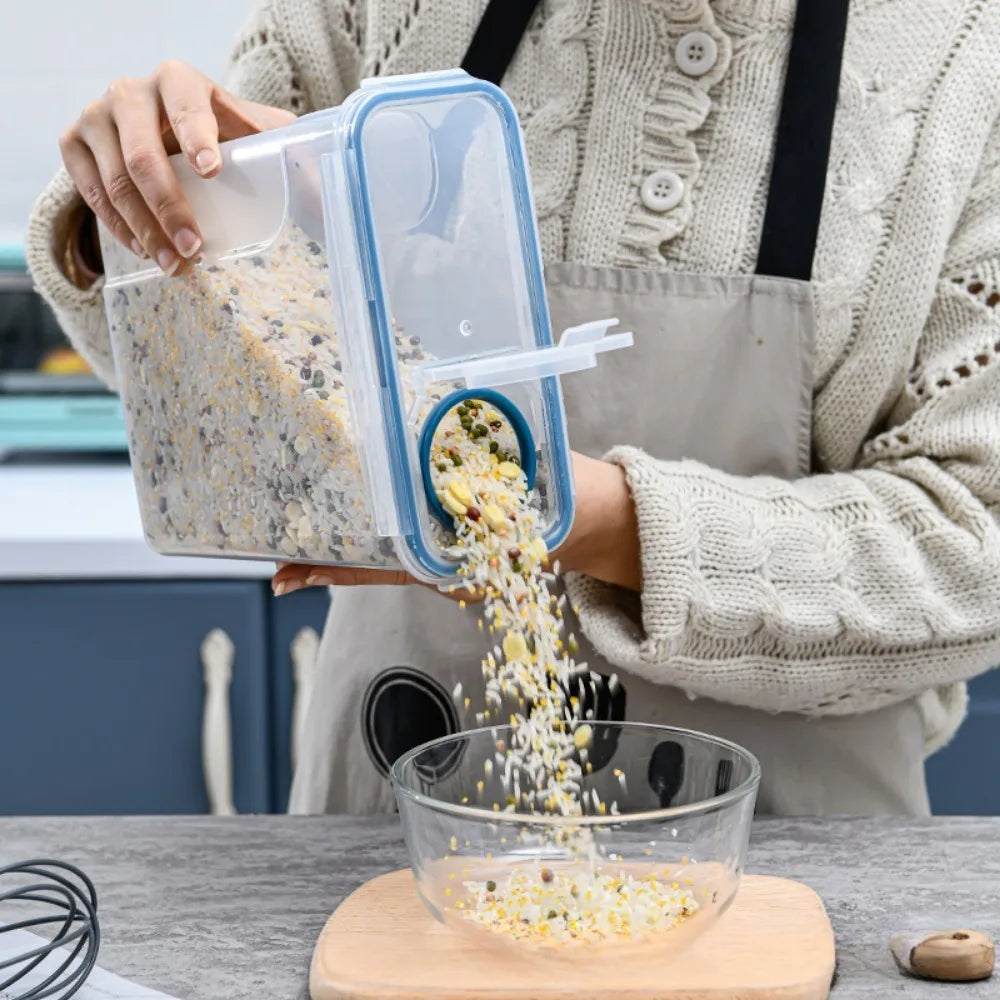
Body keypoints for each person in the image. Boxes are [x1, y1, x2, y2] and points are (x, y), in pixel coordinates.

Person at [27, 0, 1000, 816]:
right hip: (384, 848)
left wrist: (577, 519)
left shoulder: (963, 59)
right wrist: (130, 213)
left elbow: (973, 553)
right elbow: (236, 401)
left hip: (788, 868)